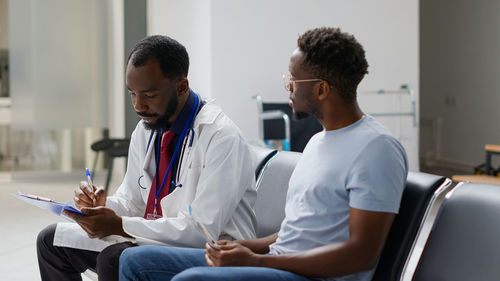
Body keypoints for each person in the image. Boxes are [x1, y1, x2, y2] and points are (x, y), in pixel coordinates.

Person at [118, 27, 408, 281]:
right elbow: (295, 235)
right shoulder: (318, 143)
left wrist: (258, 261)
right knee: (133, 261)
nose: (288, 89)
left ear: (321, 89)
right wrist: (245, 248)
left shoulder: (376, 148)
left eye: (293, 81)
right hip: (279, 264)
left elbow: (361, 255)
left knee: (192, 279)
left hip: (313, 277)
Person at [36, 35, 257, 281]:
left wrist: (119, 225)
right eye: (132, 93)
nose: (138, 105)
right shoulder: (147, 129)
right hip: (155, 237)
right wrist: (103, 206)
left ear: (182, 87)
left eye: (150, 95)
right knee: (51, 241)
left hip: (210, 251)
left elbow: (200, 231)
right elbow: (133, 201)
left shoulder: (221, 137)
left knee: (115, 258)